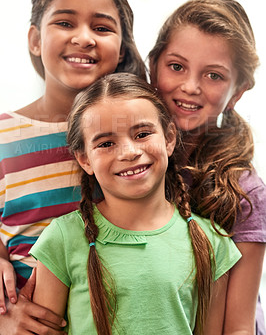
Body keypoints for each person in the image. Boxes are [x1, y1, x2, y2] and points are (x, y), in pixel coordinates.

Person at [30, 73, 241, 335]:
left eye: (142, 134)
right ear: (85, 159)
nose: (129, 152)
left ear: (169, 138)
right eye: (106, 143)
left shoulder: (212, 243)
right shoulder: (62, 239)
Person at [0, 0, 146, 334]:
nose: (84, 38)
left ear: (122, 47)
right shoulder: (3, 134)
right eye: (65, 23)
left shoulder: (138, 138)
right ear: (34, 39)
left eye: (101, 28)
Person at [148, 0, 266, 334]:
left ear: (238, 91)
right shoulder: (126, 163)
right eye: (176, 66)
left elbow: (239, 327)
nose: (190, 86)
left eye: (213, 75)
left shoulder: (246, 192)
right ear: (153, 65)